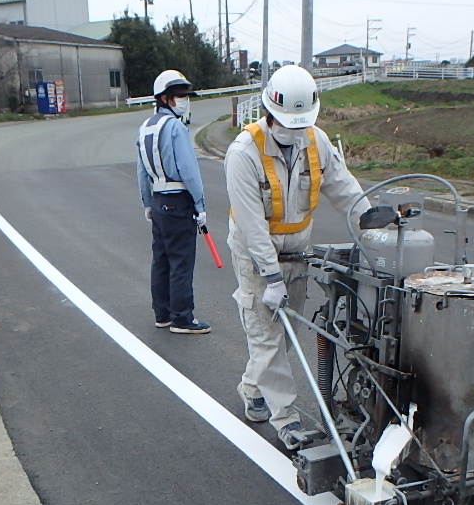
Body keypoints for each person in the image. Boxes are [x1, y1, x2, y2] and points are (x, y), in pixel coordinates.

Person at [224, 64, 370, 449]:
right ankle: (286, 419)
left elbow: (345, 190)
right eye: (287, 123)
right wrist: (270, 277)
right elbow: (252, 226)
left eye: (300, 123)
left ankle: (252, 390)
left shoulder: (316, 141)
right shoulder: (243, 153)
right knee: (267, 335)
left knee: (283, 337)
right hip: (258, 258)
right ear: (269, 113)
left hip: (298, 254)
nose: (293, 131)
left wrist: (374, 228)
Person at [137, 70, 210, 334]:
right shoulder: (176, 128)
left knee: (162, 259)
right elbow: (190, 170)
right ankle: (182, 318)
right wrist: (200, 205)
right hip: (179, 201)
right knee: (181, 261)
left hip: (158, 200)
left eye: (186, 96)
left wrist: (147, 202)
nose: (184, 100)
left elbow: (141, 170)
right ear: (165, 98)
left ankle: (163, 313)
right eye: (179, 95)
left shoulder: (145, 128)